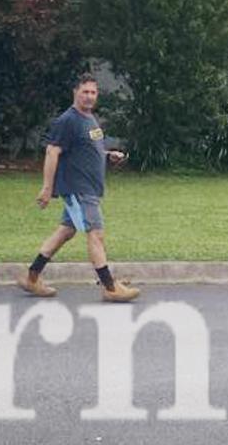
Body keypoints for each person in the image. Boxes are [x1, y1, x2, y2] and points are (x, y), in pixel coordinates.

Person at [20, 74, 140, 302]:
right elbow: (52, 152)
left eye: (93, 92)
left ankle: (32, 277)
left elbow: (86, 149)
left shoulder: (89, 119)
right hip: (79, 189)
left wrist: (107, 155)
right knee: (96, 234)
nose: (89, 96)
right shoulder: (68, 120)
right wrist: (47, 188)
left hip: (89, 188)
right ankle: (109, 287)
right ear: (75, 92)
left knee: (66, 231)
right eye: (85, 92)